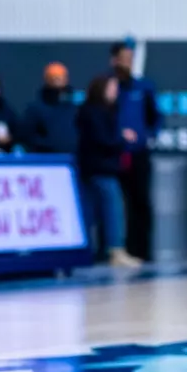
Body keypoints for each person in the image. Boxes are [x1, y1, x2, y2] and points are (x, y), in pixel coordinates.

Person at [75, 74, 139, 268]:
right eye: (111, 88)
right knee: (111, 209)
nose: (115, 92)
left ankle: (98, 250)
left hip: (100, 168)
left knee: (95, 210)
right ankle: (114, 250)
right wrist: (121, 138)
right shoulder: (93, 112)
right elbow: (101, 139)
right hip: (99, 168)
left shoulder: (107, 111)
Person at [108, 41, 161, 261]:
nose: (127, 62)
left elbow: (155, 117)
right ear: (113, 60)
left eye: (130, 58)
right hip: (114, 153)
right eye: (123, 58)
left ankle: (143, 251)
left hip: (139, 154)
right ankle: (118, 250)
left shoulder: (143, 88)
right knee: (117, 203)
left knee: (141, 201)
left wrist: (147, 137)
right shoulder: (109, 87)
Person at [20, 63, 79, 155]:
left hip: (73, 160)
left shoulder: (75, 108)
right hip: (46, 162)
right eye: (54, 77)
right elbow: (26, 136)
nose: (58, 80)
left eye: (62, 77)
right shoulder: (36, 109)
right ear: (47, 79)